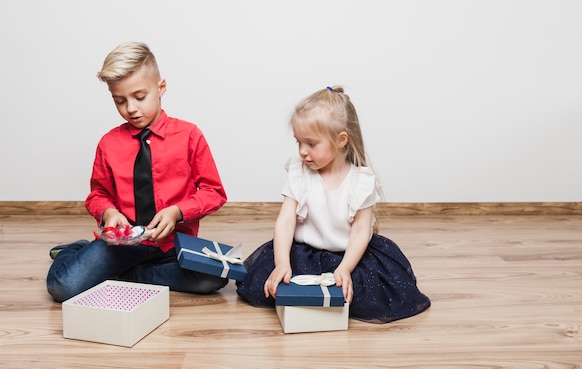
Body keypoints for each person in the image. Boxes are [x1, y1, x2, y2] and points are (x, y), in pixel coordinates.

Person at [46, 42, 228, 302]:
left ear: (161, 88)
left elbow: (214, 192)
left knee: (214, 278)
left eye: (139, 97)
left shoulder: (189, 135)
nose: (131, 108)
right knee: (63, 287)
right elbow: (97, 195)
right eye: (120, 101)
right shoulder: (109, 143)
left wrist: (177, 212)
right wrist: (109, 212)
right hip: (122, 246)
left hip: (174, 244)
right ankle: (76, 251)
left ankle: (119, 275)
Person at [236, 86, 430, 323]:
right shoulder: (299, 172)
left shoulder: (360, 181)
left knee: (368, 294)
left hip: (348, 255)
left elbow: (361, 230)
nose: (302, 152)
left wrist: (346, 268)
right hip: (304, 254)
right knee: (270, 283)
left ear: (340, 140)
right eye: (298, 142)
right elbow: (285, 222)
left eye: (311, 143)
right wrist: (282, 264)